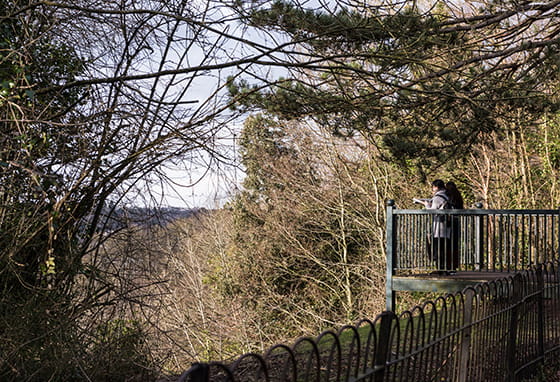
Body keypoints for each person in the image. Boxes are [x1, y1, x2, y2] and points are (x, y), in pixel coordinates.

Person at [416, 179, 452, 275]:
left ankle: (440, 269)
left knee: (438, 249)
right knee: (444, 248)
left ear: (436, 187)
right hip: (447, 226)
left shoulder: (438, 197)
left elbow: (433, 211)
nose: (432, 189)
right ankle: (445, 269)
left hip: (439, 227)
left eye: (433, 187)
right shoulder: (447, 195)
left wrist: (427, 205)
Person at [445, 181, 464, 273]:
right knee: (454, 245)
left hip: (449, 223)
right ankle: (453, 267)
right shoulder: (458, 197)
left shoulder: (448, 197)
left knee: (447, 245)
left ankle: (448, 267)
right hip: (456, 222)